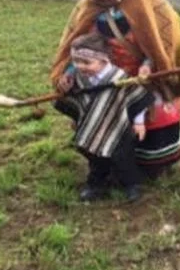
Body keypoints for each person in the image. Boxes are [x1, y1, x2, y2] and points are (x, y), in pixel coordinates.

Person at [50, 0, 180, 179]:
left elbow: (163, 44)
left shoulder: (151, 2)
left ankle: (152, 167)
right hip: (105, 79)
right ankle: (108, 165)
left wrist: (148, 66)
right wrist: (68, 72)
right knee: (103, 121)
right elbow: (75, 44)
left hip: (146, 79)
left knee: (149, 123)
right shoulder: (86, 7)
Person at [53, 33, 155, 202]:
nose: (81, 66)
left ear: (104, 60)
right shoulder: (78, 79)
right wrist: (77, 118)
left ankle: (132, 185)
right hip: (91, 127)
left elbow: (135, 97)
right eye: (76, 62)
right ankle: (96, 184)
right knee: (95, 157)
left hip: (118, 127)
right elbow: (78, 101)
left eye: (86, 62)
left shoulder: (119, 78)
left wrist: (139, 123)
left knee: (123, 156)